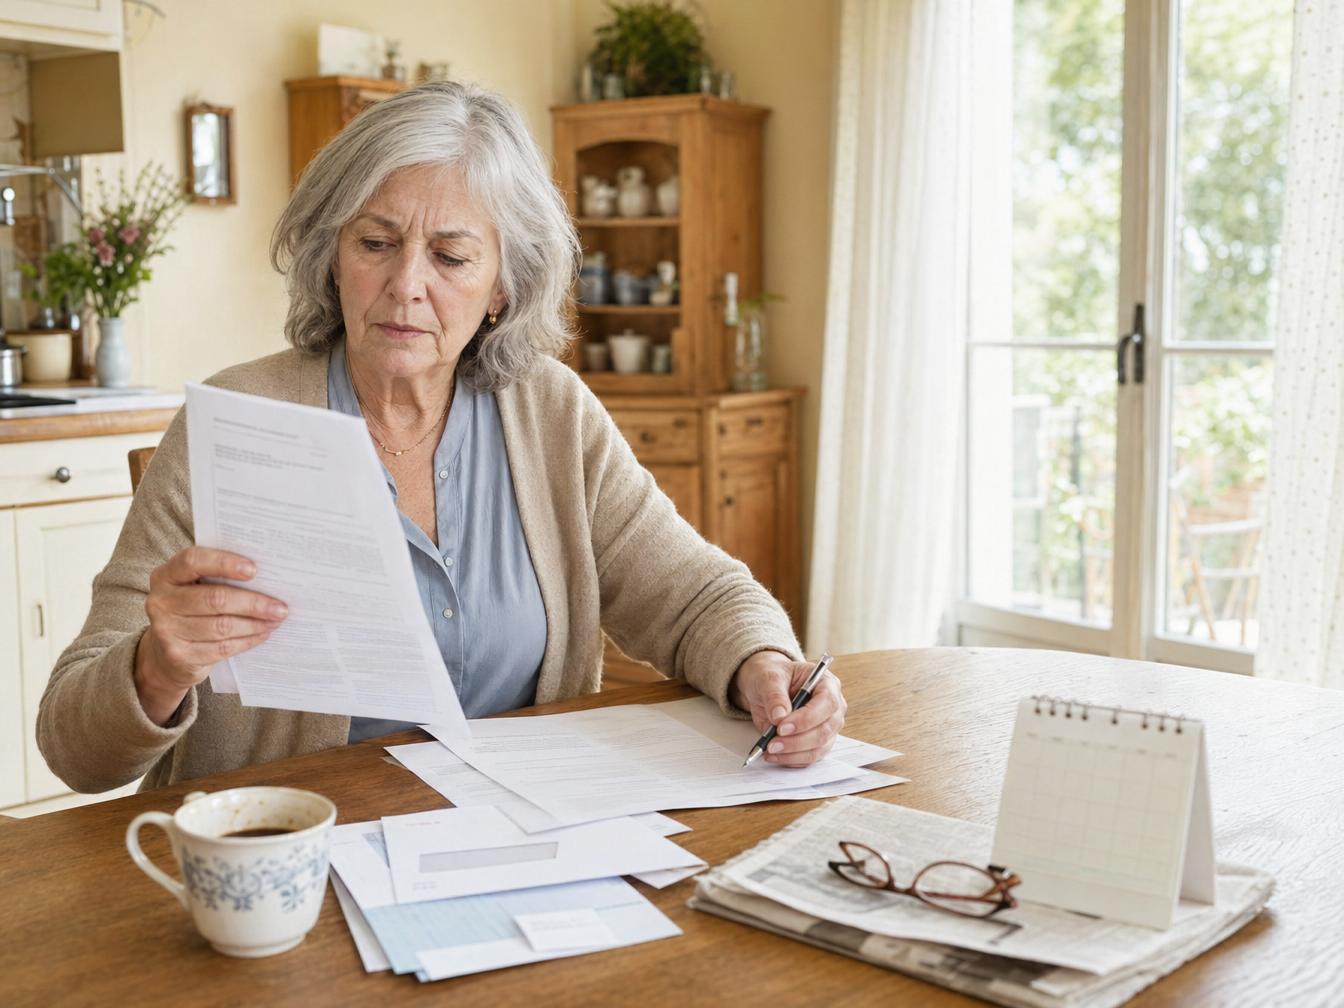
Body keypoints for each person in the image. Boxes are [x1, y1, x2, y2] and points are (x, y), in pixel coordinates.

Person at [36, 81, 846, 794]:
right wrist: (158, 664)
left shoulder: (550, 412)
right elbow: (75, 748)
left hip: (524, 837)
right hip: (294, 864)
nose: (405, 286)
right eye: (376, 243)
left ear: (502, 287)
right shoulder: (235, 420)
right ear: (332, 257)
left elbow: (691, 593)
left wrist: (763, 664)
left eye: (451, 256)